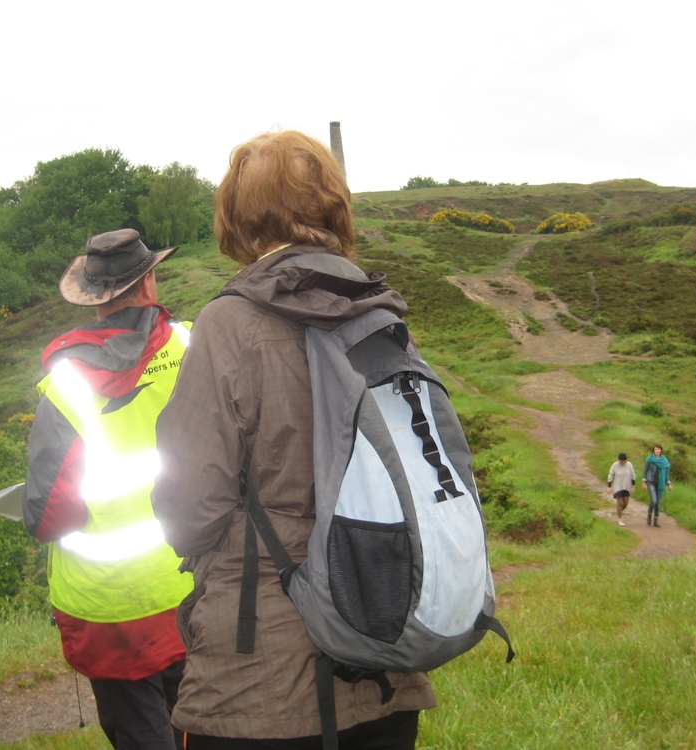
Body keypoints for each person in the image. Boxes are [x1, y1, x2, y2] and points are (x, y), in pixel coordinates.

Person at [151, 131, 436, 749]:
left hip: (263, 675)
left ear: (236, 215)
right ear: (333, 205)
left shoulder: (229, 323)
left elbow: (191, 506)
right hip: (382, 640)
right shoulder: (380, 314)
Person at [23, 229, 193, 750]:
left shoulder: (68, 383)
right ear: (148, 283)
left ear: (94, 297)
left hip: (109, 605)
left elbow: (49, 514)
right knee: (202, 724)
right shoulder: (192, 345)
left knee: (141, 735)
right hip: (195, 585)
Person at [642, 444, 672, 527]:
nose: (657, 451)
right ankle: (649, 514)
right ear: (653, 450)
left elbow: (666, 474)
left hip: (660, 484)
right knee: (654, 500)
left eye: (658, 449)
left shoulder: (665, 461)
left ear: (661, 450)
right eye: (655, 449)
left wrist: (669, 484)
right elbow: (645, 471)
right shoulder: (650, 459)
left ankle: (656, 520)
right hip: (651, 482)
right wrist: (644, 482)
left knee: (658, 502)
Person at [607, 452, 637, 526]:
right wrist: (609, 486)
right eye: (621, 461)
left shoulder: (629, 465)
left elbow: (633, 475)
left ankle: (619, 511)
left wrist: (633, 486)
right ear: (619, 460)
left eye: (624, 461)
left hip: (626, 486)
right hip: (617, 487)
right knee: (620, 503)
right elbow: (611, 475)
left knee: (625, 503)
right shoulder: (615, 465)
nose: (623, 462)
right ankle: (620, 519)